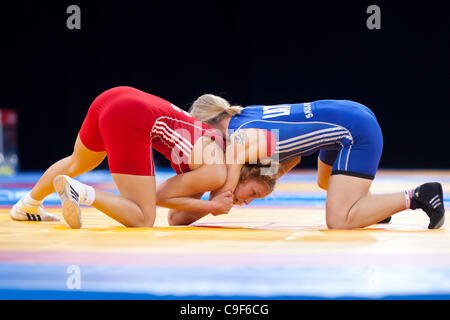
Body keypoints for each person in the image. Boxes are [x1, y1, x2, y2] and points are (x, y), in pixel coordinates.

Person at [184, 94, 445, 229]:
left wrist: (206, 202)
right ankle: (374, 210)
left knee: (339, 221)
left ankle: (420, 195)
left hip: (354, 129)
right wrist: (265, 177)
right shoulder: (245, 116)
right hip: (344, 117)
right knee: (326, 184)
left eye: (204, 136)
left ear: (209, 127)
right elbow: (295, 156)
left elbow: (225, 190)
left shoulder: (239, 136)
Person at [10, 86, 237, 229]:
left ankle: (27, 205)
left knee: (77, 161)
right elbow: (162, 200)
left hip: (112, 96)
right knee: (143, 218)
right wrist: (212, 205)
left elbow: (174, 214)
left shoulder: (200, 137)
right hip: (132, 115)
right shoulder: (216, 169)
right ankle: (80, 191)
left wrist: (210, 205)